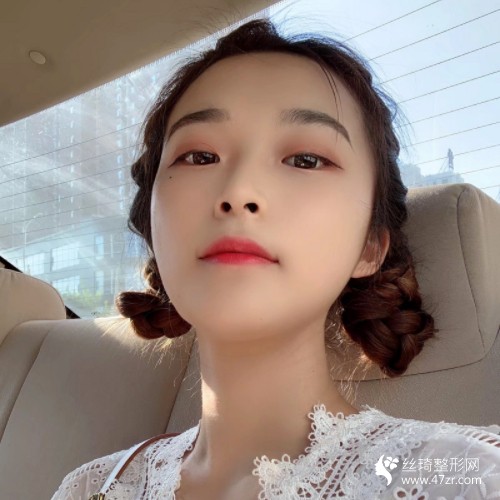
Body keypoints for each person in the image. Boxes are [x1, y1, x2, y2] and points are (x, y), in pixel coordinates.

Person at [51, 18, 500, 500]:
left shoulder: (468, 479)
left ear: (370, 244)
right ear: (154, 226)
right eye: (199, 156)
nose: (239, 191)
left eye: (306, 160)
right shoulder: (89, 487)